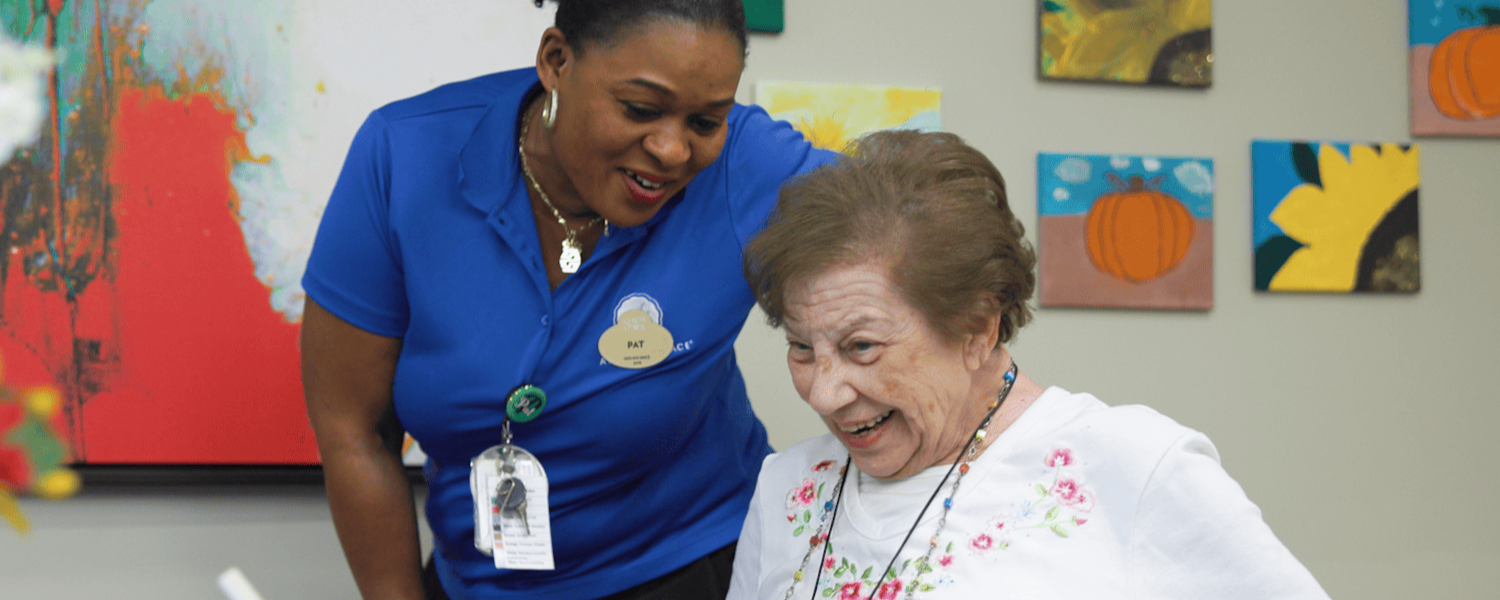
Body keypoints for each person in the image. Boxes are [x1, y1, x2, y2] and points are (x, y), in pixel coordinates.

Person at [299, 1, 835, 598]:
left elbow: (916, 228)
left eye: (704, 122)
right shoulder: (403, 157)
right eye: (640, 109)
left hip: (687, 565)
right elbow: (354, 431)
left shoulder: (742, 162)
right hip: (473, 579)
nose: (673, 150)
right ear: (556, 61)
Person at [731, 130, 1330, 599]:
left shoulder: (1133, 468)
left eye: (861, 347)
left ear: (977, 327)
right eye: (802, 348)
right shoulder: (787, 488)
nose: (825, 393)